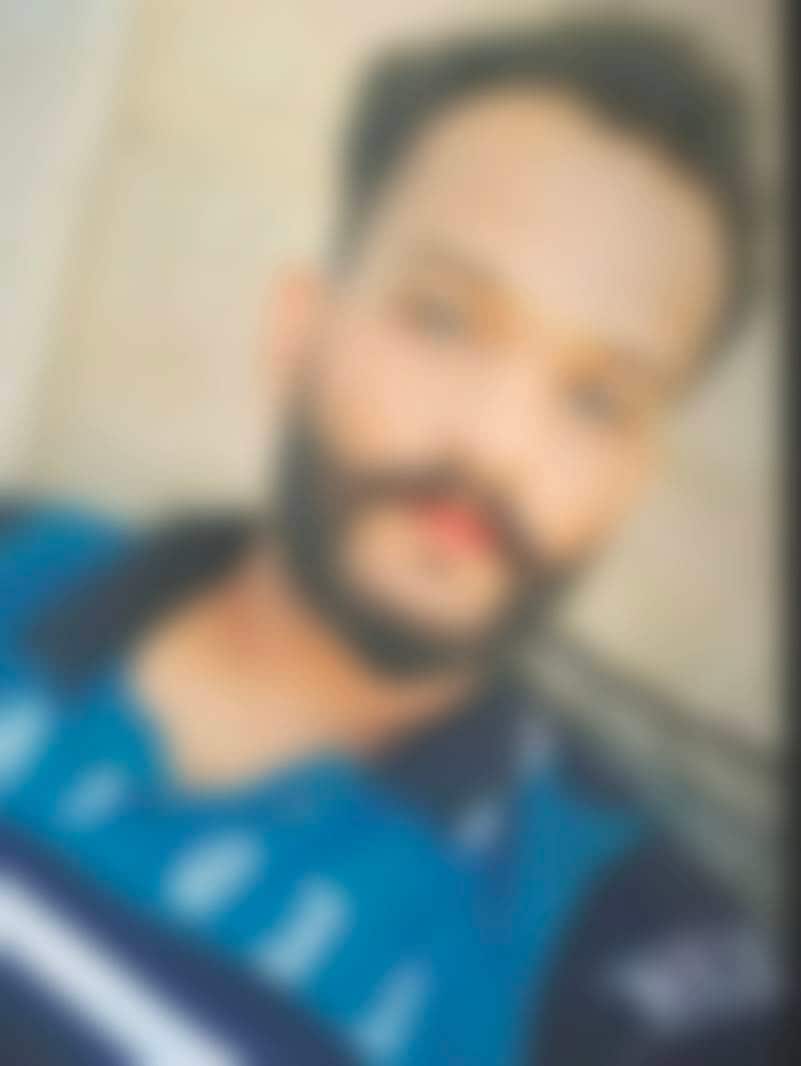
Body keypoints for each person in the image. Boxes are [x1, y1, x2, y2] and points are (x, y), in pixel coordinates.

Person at [0, 14, 782, 1066]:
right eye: (443, 318)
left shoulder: (624, 959)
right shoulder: (18, 554)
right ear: (299, 329)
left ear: (631, 480)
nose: (496, 446)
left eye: (598, 399)